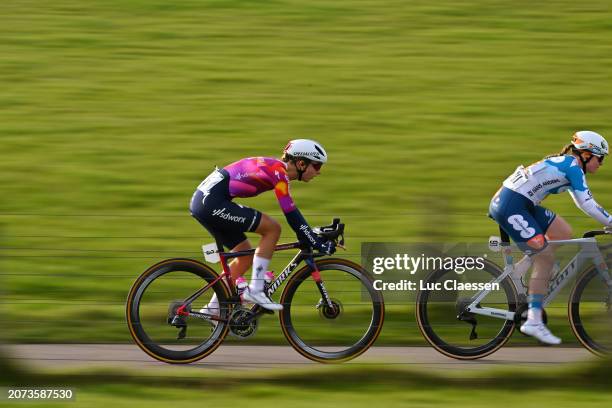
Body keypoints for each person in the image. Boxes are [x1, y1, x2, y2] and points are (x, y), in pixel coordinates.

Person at [489, 130, 611, 345]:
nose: (601, 164)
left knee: (563, 232)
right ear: (586, 154)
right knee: (545, 257)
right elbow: (588, 204)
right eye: (600, 158)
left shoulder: (570, 165)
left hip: (520, 202)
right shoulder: (573, 167)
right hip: (511, 205)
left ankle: (521, 270)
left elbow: (582, 202)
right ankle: (534, 321)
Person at [189, 139, 335, 315]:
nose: (318, 172)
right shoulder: (279, 173)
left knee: (244, 255)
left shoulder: (277, 171)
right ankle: (256, 290)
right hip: (210, 202)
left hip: (207, 202)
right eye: (317, 166)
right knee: (272, 229)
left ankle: (212, 310)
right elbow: (290, 212)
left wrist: (311, 237)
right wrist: (314, 241)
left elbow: (294, 216)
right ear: (301, 163)